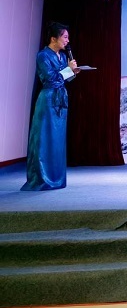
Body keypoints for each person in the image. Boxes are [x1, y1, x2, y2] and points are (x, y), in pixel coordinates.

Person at [22, 22, 80, 191]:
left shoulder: (62, 56)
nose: (67, 41)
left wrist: (73, 72)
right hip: (48, 100)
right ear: (54, 38)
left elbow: (64, 79)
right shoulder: (43, 56)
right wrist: (68, 70)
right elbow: (50, 80)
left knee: (57, 140)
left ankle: (56, 178)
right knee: (45, 138)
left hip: (61, 99)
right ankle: (42, 179)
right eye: (65, 37)